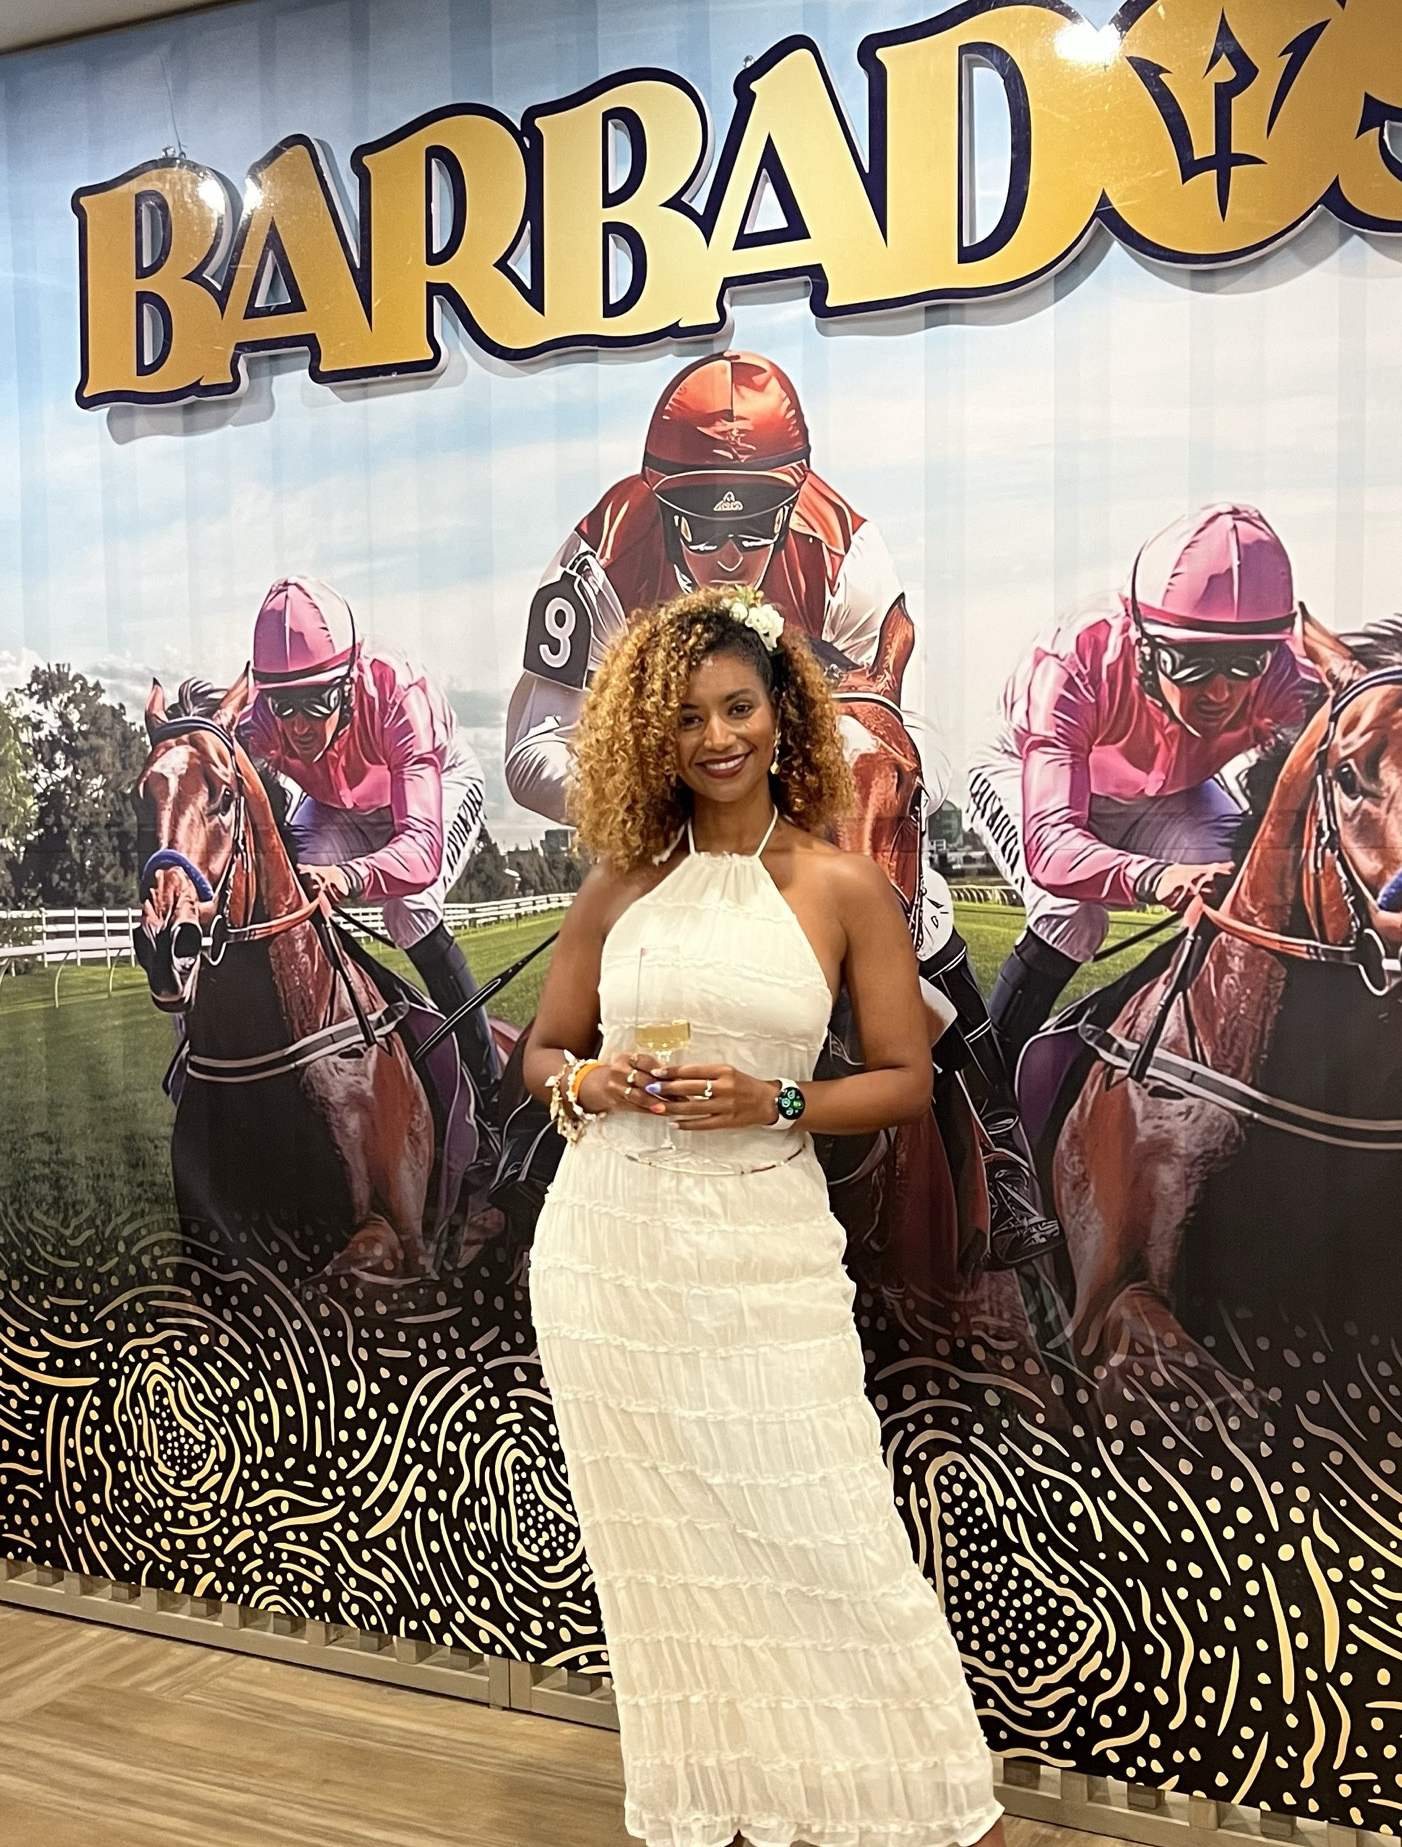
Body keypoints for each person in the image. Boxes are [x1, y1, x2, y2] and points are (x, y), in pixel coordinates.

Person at [521, 585, 1063, 1847]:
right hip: (608, 1262)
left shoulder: (837, 886)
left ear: (783, 719)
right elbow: (541, 1052)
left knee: (837, 1539)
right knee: (666, 1557)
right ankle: (711, 1827)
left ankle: (968, 1831)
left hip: (760, 1254)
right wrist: (583, 1078)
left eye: (739, 708)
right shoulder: (617, 887)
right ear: (654, 732)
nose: (715, 735)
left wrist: (771, 1100)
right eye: (688, 715)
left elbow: (895, 1079)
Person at [505, 349, 1058, 1267]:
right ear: (657, 502)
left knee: (920, 928)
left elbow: (893, 731)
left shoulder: (848, 551)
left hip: (806, 813)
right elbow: (530, 753)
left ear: (792, 496)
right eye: (699, 527)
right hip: (667, 833)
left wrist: (800, 824)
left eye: (754, 525)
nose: (728, 556)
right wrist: (677, 796)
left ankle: (997, 1156)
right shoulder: (598, 552)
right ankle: (513, 1172)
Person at [969, 503, 1323, 1073]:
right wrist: (1157, 878)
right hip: (1028, 775)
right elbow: (1052, 850)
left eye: (1245, 661)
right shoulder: (1074, 661)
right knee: (1071, 914)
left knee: (1239, 898)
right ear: (1145, 641)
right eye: (1193, 662)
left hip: (1169, 794)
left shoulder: (1286, 674)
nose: (1221, 693)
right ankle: (985, 1091)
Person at [242, 574, 502, 1112]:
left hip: (436, 787)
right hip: (341, 806)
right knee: (293, 900)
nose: (298, 727)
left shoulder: (396, 691)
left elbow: (421, 851)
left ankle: (489, 1084)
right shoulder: (261, 720)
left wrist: (349, 875)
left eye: (316, 702)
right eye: (283, 705)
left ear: (346, 681)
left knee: (406, 907)